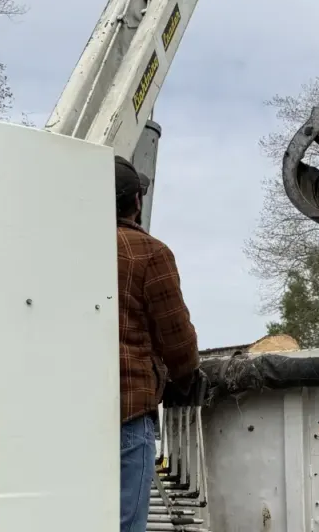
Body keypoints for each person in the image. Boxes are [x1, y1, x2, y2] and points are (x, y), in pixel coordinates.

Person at [113, 155, 199, 532]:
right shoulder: (147, 253)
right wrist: (187, 377)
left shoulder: (55, 251)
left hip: (62, 416)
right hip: (127, 412)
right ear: (135, 202)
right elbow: (176, 338)